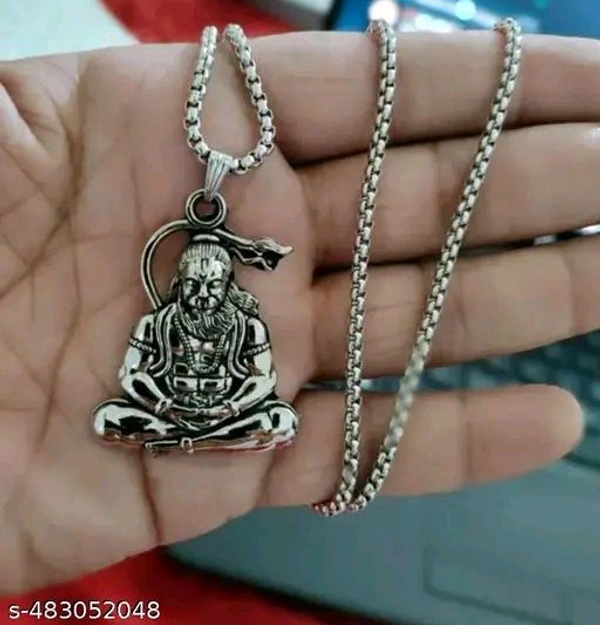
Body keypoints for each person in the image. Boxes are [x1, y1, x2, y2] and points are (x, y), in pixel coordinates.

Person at [0, 29, 597, 595]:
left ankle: (196, 440)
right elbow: (133, 377)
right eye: (194, 283)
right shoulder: (158, 323)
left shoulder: (244, 323)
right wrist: (162, 401)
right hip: (168, 411)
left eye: (213, 282)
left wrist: (228, 406)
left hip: (226, 416)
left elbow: (261, 380)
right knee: (110, 416)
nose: (203, 293)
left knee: (280, 421)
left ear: (228, 283)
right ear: (178, 280)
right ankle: (190, 438)